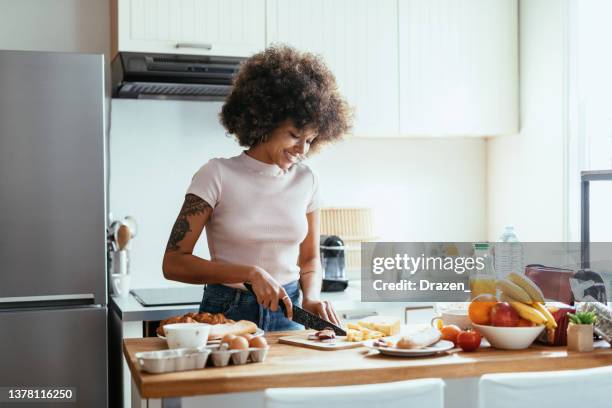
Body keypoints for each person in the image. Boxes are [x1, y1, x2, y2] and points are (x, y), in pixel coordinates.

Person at [162, 45, 352, 331]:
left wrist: (312, 297)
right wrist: (249, 273)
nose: (302, 149)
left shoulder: (307, 180)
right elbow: (174, 263)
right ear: (267, 120)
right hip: (227, 313)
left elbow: (310, 258)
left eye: (311, 139)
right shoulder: (216, 174)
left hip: (291, 313)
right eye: (294, 135)